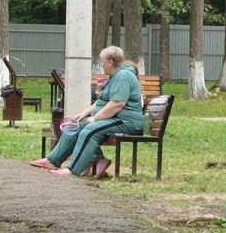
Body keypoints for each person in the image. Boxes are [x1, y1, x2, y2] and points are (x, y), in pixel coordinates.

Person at [30, 46, 145, 179]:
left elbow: (117, 104)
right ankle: (52, 161)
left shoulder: (123, 76)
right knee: (74, 126)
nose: (101, 65)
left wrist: (95, 118)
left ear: (110, 62)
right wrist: (83, 114)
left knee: (89, 130)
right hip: (115, 119)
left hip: (127, 121)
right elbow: (101, 101)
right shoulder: (115, 76)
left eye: (102, 61)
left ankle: (73, 170)